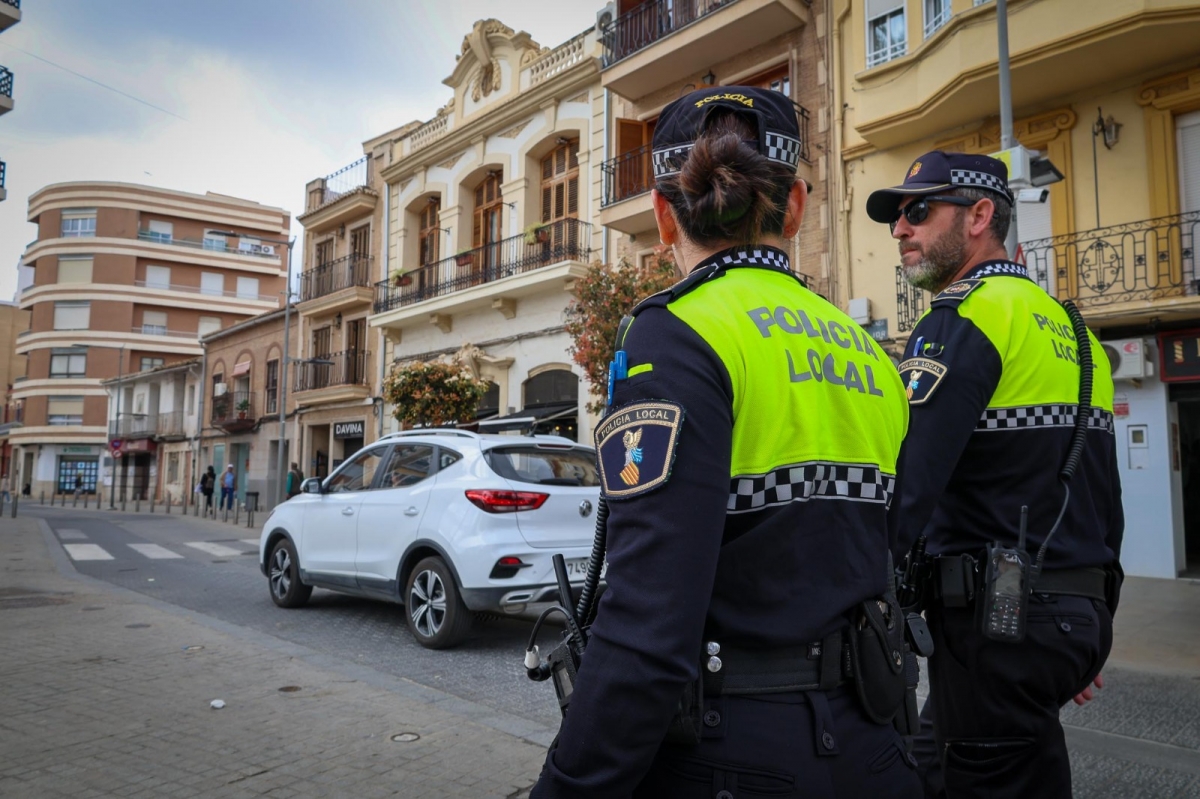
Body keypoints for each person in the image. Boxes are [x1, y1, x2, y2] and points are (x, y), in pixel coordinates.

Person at [531, 87, 918, 798]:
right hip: (875, 746)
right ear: (795, 205)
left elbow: (649, 622)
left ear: (663, 215)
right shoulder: (871, 355)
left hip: (731, 753)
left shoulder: (675, 335)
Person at [868, 150, 1124, 799]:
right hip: (1065, 617)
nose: (901, 229)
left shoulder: (965, 316)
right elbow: (1102, 500)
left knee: (991, 774)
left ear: (981, 215)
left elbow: (908, 482)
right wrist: (1089, 616)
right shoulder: (1073, 330)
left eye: (919, 211)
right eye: (898, 216)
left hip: (998, 623)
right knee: (937, 763)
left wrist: (851, 595)